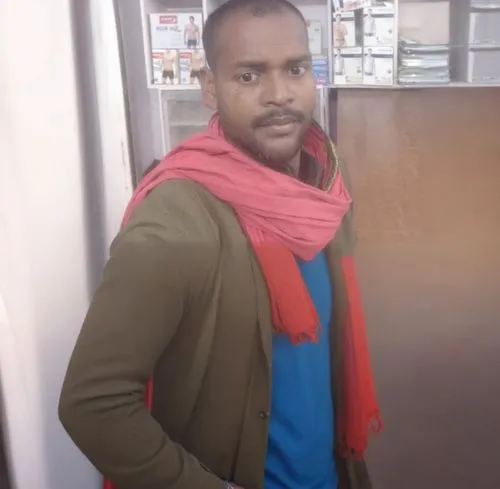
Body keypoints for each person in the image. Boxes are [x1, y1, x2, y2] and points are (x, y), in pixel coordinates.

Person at [58, 1, 382, 489]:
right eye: (249, 76)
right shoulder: (175, 224)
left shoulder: (325, 188)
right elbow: (92, 403)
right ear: (210, 87)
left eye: (295, 69)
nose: (279, 95)